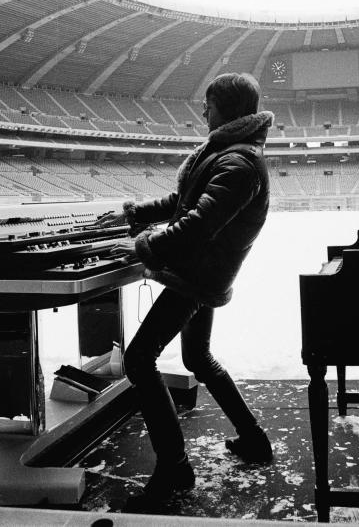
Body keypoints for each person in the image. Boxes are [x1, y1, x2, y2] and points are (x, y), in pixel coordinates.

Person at [111, 72, 275, 512]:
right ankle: (254, 440)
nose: (203, 111)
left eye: (209, 104)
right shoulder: (226, 152)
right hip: (204, 271)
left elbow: (199, 224)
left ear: (228, 108)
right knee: (196, 357)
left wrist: (145, 244)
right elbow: (183, 202)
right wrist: (137, 214)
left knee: (139, 359)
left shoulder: (238, 163)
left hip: (197, 275)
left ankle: (174, 467)